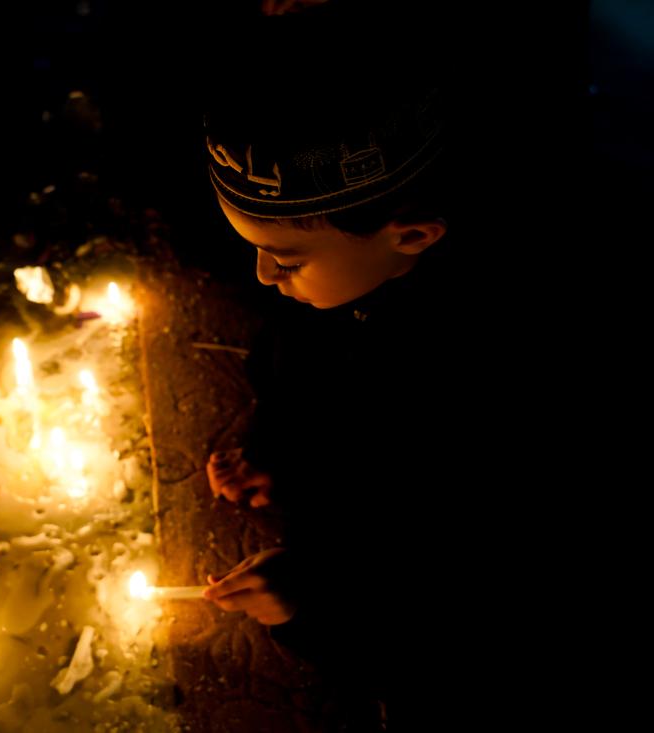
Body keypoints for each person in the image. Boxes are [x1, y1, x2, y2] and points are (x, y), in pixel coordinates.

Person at [193, 1, 481, 725]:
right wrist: (275, 452)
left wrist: (307, 603)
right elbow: (308, 370)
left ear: (411, 234)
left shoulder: (456, 393)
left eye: (284, 257)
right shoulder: (349, 284)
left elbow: (436, 611)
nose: (261, 276)